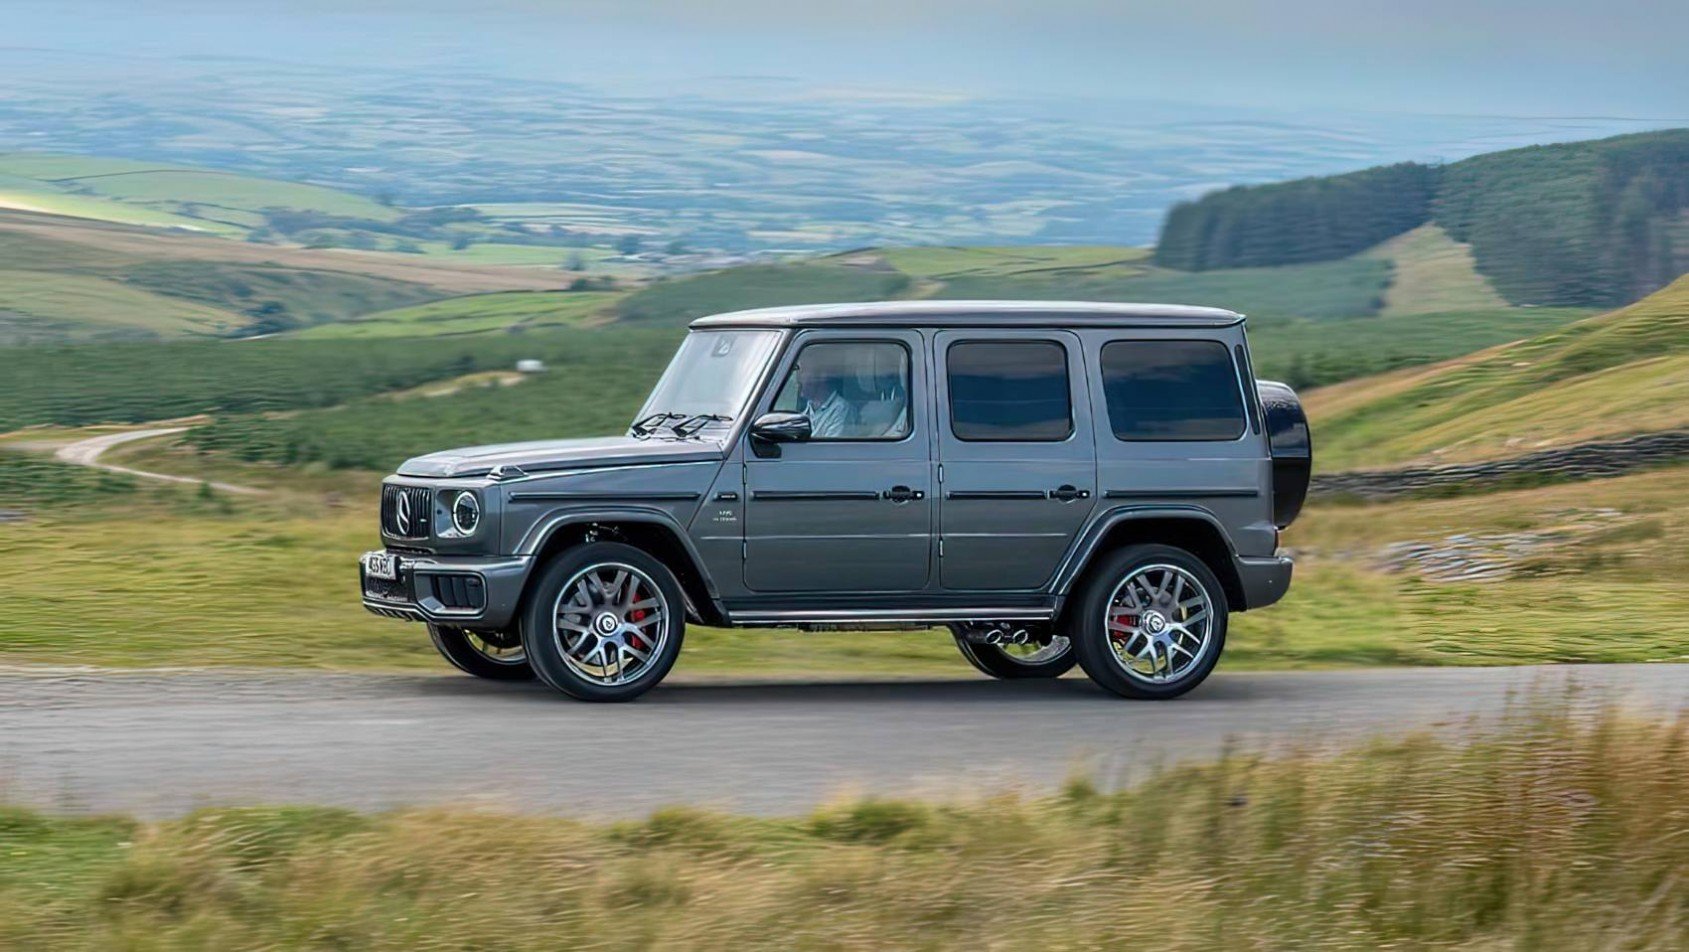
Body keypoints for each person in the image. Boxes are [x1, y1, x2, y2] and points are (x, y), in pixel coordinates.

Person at [795, 354, 856, 438]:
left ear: (822, 375)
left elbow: (831, 449)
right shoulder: (805, 413)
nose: (798, 377)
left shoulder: (841, 409)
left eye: (803, 371)